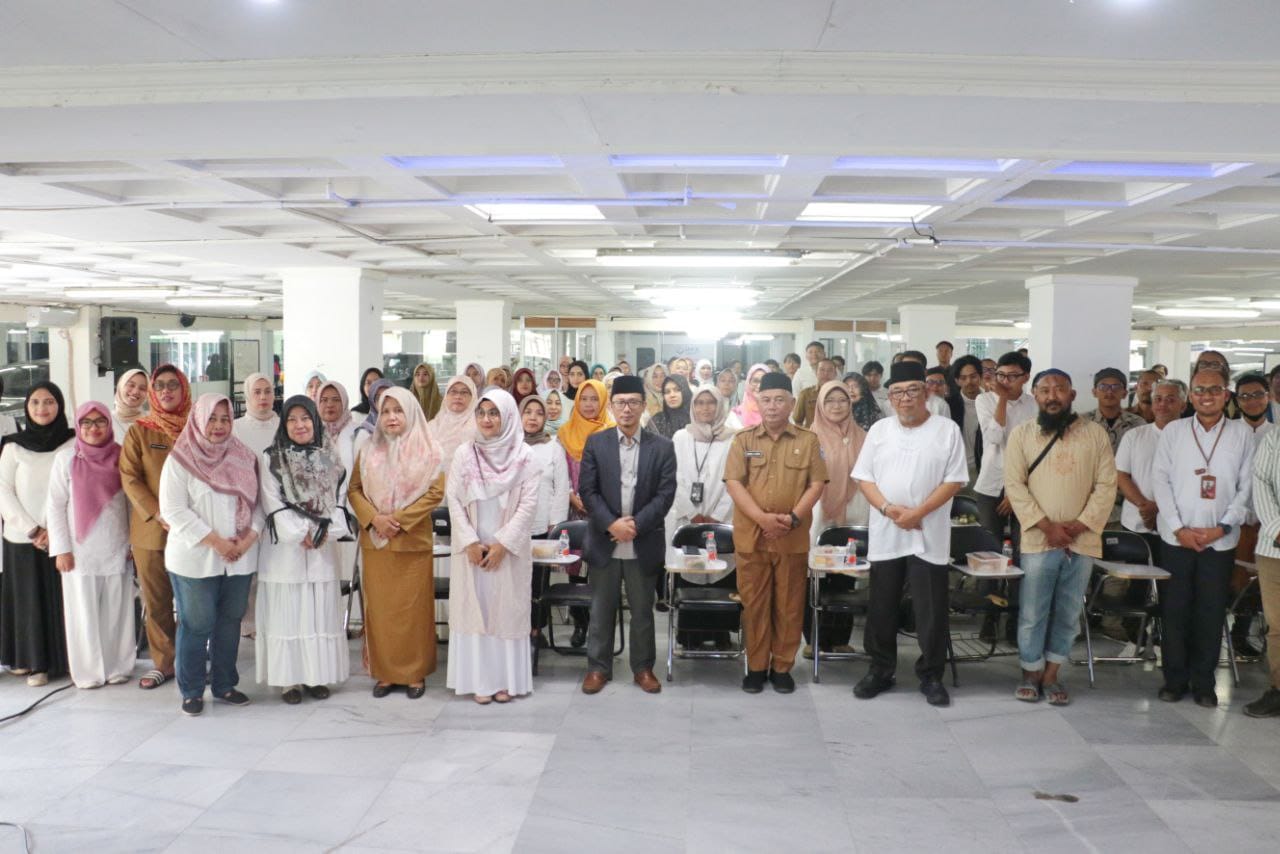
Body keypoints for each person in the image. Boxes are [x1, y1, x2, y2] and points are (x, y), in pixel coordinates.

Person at [850, 363, 967, 707]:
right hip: (887, 531)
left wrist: (918, 513)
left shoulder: (946, 430)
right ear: (890, 397)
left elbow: (954, 480)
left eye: (912, 390)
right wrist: (889, 509)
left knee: (931, 608)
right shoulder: (880, 430)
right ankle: (880, 670)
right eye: (897, 392)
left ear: (926, 392)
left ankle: (931, 675)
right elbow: (864, 477)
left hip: (929, 532)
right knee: (881, 605)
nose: (904, 398)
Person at [1004, 369, 1116, 706]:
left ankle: (1052, 674)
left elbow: (1106, 485)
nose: (1052, 396)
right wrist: (1048, 527)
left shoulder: (1095, 434)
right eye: (1044, 390)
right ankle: (1030, 672)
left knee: (1068, 612)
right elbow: (1014, 485)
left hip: (1082, 540)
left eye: (1059, 389)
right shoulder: (1022, 434)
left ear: (1072, 394)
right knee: (1033, 611)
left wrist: (1079, 526)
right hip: (1039, 539)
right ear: (1035, 396)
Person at [1152, 368, 1255, 707]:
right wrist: (1178, 528)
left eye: (1214, 389)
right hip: (1176, 539)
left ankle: (1204, 684)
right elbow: (1160, 481)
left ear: (1226, 395)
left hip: (1219, 541)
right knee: (1175, 611)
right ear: (1191, 396)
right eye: (1199, 390)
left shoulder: (1241, 434)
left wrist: (1222, 527)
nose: (1206, 396)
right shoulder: (1175, 431)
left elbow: (1246, 487)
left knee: (1210, 613)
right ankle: (1174, 680)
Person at [159, 393, 263, 716]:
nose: (218, 426)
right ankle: (191, 690)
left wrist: (246, 541)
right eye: (211, 419)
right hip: (195, 559)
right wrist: (218, 543)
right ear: (198, 420)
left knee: (230, 622)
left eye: (225, 419)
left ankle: (224, 684)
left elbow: (260, 505)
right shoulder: (180, 459)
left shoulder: (245, 456)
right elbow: (173, 510)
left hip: (239, 558)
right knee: (197, 623)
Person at [724, 372, 827, 694]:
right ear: (757, 402)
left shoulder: (808, 440)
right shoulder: (743, 440)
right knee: (754, 605)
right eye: (766, 399)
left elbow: (817, 484)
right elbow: (734, 483)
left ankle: (782, 667)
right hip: (752, 537)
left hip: (791, 537)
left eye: (779, 399)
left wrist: (793, 518)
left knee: (789, 605)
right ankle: (756, 667)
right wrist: (762, 519)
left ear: (791, 403)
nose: (772, 406)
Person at [577, 375, 677, 695]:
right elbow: (587, 490)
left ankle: (643, 668)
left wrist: (634, 526)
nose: (627, 409)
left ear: (644, 406)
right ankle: (598, 668)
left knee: (643, 611)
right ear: (611, 406)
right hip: (604, 539)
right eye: (620, 403)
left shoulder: (662, 447)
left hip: (642, 540)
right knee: (601, 609)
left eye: (634, 402)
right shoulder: (596, 443)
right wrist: (612, 525)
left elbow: (665, 494)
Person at [348, 386, 446, 700]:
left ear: (411, 412)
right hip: (376, 544)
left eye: (398, 410)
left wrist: (398, 520)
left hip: (412, 542)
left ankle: (415, 673)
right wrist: (375, 518)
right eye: (386, 411)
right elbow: (354, 490)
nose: (391, 417)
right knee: (381, 612)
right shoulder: (368, 449)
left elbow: (435, 493)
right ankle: (386, 673)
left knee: (413, 612)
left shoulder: (430, 450)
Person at [445, 389, 541, 703]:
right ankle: (479, 681)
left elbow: (528, 506)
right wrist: (470, 542)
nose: (486, 420)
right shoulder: (464, 453)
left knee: (505, 612)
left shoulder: (525, 456)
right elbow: (453, 500)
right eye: (482, 413)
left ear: (508, 416)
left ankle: (505, 681)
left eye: (494, 413)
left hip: (507, 552)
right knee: (477, 611)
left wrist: (502, 544)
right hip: (473, 551)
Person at [255, 395, 351, 705]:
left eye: (306, 418)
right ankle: (289, 681)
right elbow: (272, 500)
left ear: (315, 421)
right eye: (292, 419)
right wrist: (301, 533)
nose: (300, 425)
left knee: (317, 615)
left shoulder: (329, 458)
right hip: (286, 552)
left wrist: (323, 531)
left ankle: (315, 676)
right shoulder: (271, 458)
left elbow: (339, 500)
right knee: (289, 615)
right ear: (284, 424)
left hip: (321, 550)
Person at [45, 401, 134, 689]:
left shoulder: (122, 456)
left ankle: (118, 666)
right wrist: (61, 549)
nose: (93, 428)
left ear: (109, 424)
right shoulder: (66, 459)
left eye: (100, 422)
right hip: (79, 550)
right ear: (78, 425)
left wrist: (133, 544)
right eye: (86, 422)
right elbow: (55, 506)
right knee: (82, 613)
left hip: (117, 544)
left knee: (117, 611)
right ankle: (87, 672)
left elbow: (132, 502)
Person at [120, 364, 192, 690]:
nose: (165, 391)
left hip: (192, 529)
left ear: (184, 388)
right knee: (157, 601)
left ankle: (191, 660)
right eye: (159, 385)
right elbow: (130, 477)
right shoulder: (140, 430)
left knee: (193, 601)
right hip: (151, 530)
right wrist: (158, 512)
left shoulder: (197, 427)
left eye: (172, 385)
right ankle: (164, 663)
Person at [0, 382, 77, 686]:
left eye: (49, 402)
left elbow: (78, 489)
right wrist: (33, 529)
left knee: (63, 599)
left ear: (59, 405)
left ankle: (67, 660)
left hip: (64, 536)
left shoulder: (73, 442)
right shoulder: (13, 446)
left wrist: (54, 529)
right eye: (35, 402)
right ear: (27, 407)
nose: (42, 408)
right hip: (23, 537)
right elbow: (4, 491)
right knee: (28, 602)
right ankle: (35, 663)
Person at [666, 386, 737, 650]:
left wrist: (716, 516)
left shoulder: (733, 438)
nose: (705, 408)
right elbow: (673, 478)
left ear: (720, 406)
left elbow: (735, 481)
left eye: (711, 403)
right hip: (686, 519)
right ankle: (690, 635)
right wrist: (693, 513)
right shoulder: (680, 437)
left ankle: (721, 634)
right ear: (692, 407)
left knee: (721, 573)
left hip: (723, 519)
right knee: (690, 572)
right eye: (700, 403)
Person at [803, 381, 868, 658]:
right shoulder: (809, 437)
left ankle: (840, 638)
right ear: (820, 404)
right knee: (816, 575)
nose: (837, 406)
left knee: (845, 574)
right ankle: (814, 639)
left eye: (842, 400)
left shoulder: (863, 436)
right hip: (819, 510)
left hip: (855, 507)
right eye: (830, 401)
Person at [557, 378, 613, 646]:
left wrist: (596, 502)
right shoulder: (565, 433)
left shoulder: (612, 432)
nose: (589, 404)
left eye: (594, 399)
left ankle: (601, 626)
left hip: (603, 510)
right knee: (575, 568)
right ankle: (580, 623)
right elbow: (560, 472)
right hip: (574, 509)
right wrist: (572, 495)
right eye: (584, 399)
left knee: (601, 570)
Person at [974, 352, 1037, 559]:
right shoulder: (984, 400)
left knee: (1023, 546)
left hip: (1026, 485)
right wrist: (1002, 399)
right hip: (991, 482)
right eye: (1000, 375)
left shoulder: (1034, 405)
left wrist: (1016, 490)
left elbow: (1035, 452)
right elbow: (994, 437)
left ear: (1025, 377)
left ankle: (1020, 582)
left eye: (1012, 376)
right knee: (989, 548)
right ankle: (990, 583)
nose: (1004, 381)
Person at [1117, 379, 1187, 563]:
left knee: (1172, 577)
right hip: (1136, 523)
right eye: (1158, 399)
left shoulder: (1192, 439)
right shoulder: (1134, 435)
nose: (1163, 404)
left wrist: (1159, 508)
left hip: (1178, 525)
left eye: (1170, 399)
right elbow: (1121, 475)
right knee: (1137, 578)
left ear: (1183, 405)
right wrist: (1145, 506)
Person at [520, 395, 570, 643]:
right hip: (513, 527)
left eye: (539, 413)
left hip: (542, 525)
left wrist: (555, 525)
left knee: (538, 582)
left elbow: (561, 489)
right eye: (528, 412)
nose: (533, 417)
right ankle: (515, 630)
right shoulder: (509, 445)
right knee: (515, 582)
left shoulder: (554, 448)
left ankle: (536, 630)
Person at [1246, 412, 1280, 716]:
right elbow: (1261, 482)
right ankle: (1278, 689)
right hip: (1274, 548)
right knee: (1277, 626)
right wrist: (1276, 528)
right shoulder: (1274, 438)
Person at [1084, 368, 1146, 454]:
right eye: (1103, 387)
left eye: (1116, 387)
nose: (1109, 391)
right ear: (1094, 392)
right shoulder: (1083, 422)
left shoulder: (1138, 423)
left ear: (1124, 394)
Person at [427, 375, 478, 470]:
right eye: (453, 391)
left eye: (464, 392)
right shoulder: (431, 426)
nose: (458, 396)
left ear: (473, 397)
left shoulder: (480, 429)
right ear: (446, 396)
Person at [949, 355, 986, 484]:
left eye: (973, 376)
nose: (969, 381)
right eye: (963, 378)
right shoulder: (950, 405)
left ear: (980, 377)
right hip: (957, 470)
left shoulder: (992, 402)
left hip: (985, 469)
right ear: (957, 381)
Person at [233, 372, 280, 455]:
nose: (263, 397)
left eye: (268, 391)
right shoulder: (235, 429)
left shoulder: (283, 425)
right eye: (257, 392)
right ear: (248, 395)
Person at [792, 359, 838, 428]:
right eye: (822, 370)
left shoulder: (841, 394)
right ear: (816, 373)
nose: (826, 373)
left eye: (830, 370)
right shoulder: (805, 394)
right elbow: (797, 420)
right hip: (812, 434)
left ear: (835, 374)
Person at [646, 374, 692, 440]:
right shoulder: (657, 420)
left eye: (677, 390)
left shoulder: (696, 419)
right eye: (667, 392)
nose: (672, 395)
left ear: (685, 391)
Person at [112, 368, 149, 442]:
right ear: (121, 386)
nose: (136, 391)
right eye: (131, 385)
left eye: (142, 388)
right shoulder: (106, 420)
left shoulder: (153, 421)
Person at [731, 363, 768, 430]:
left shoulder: (779, 414)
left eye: (764, 381)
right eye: (755, 381)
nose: (759, 386)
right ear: (748, 383)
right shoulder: (735, 416)